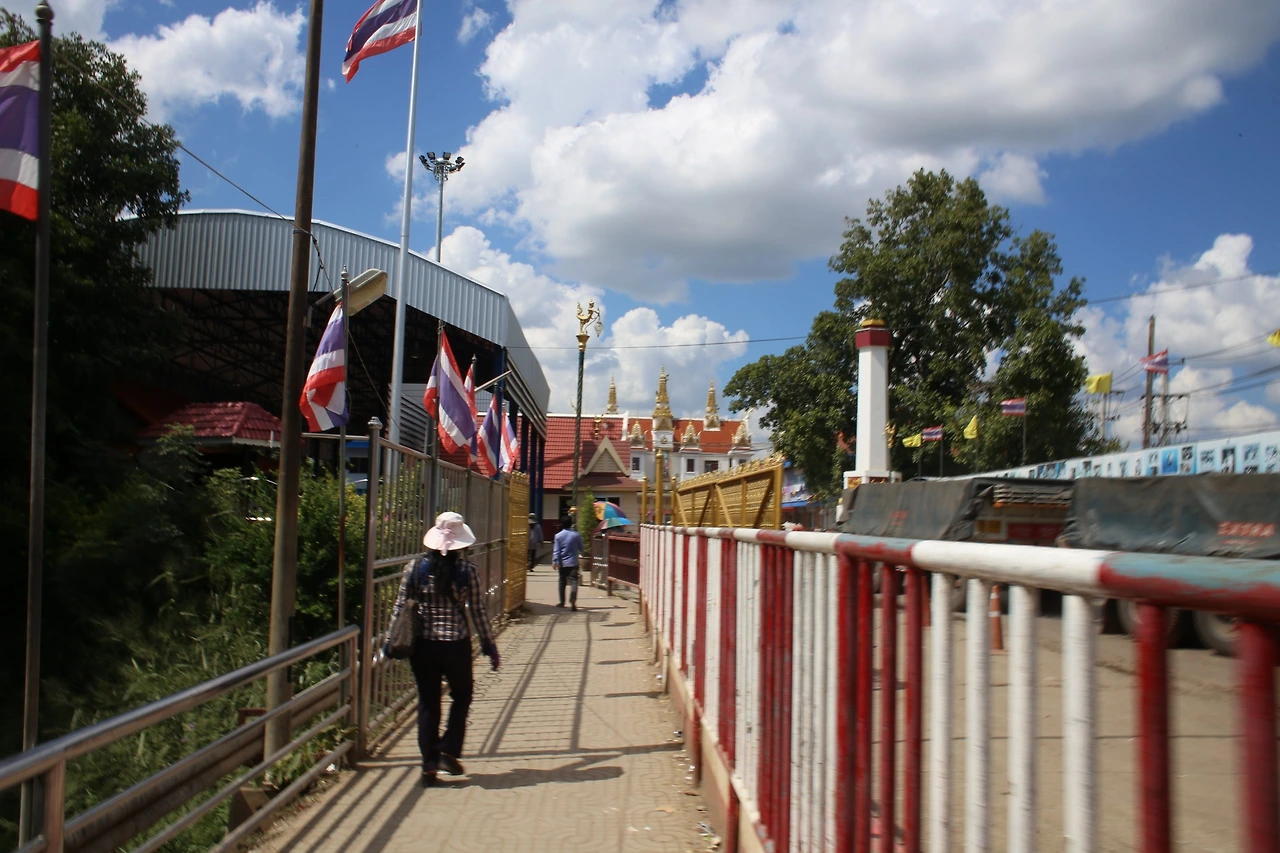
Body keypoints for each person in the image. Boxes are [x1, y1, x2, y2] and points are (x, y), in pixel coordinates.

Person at [389, 511, 500, 786]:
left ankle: (428, 767)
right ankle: (447, 748)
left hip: (423, 646)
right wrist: (488, 644)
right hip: (455, 646)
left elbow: (400, 607)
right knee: (462, 695)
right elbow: (477, 610)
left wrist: (390, 639)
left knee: (428, 703)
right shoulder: (468, 571)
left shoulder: (414, 568)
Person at [551, 516, 583, 611]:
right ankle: (573, 599)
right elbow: (581, 548)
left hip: (562, 563)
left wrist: (555, 561)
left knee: (562, 581)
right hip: (573, 562)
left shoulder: (558, 536)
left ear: (561, 524)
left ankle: (562, 602)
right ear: (571, 524)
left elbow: (556, 551)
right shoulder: (576, 535)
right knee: (574, 581)